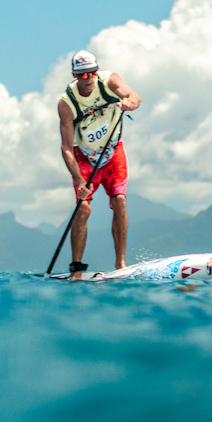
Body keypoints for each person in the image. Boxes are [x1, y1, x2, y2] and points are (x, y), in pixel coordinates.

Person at [58, 50, 141, 279]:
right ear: (75, 76)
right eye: (83, 76)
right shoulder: (67, 103)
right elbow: (66, 147)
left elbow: (132, 95)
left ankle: (120, 263)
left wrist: (130, 102)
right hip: (84, 156)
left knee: (120, 200)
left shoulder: (109, 81)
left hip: (113, 150)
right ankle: (76, 269)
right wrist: (79, 180)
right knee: (83, 208)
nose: (89, 79)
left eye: (92, 73)